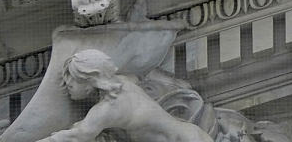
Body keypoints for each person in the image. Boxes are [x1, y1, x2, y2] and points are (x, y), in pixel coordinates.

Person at [44, 49, 212, 142]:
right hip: (193, 134)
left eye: (71, 83)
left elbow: (78, 135)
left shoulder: (108, 108)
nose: (68, 87)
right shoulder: (124, 82)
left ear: (89, 81)